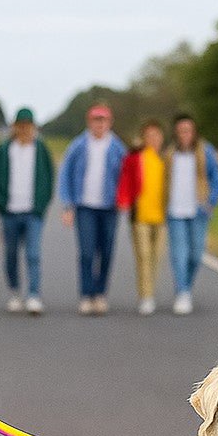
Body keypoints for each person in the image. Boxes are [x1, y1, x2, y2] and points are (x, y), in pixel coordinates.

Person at [57, 104, 128, 314]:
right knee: (87, 252)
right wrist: (68, 205)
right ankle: (86, 295)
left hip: (109, 207)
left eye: (103, 120)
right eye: (96, 120)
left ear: (109, 122)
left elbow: (126, 176)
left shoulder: (117, 147)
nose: (100, 124)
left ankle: (100, 294)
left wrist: (124, 199)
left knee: (106, 252)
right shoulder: (78, 145)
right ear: (90, 122)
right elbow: (65, 175)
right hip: (85, 206)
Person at [0, 107, 54, 315]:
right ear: (15, 127)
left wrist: (41, 205)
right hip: (10, 212)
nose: (24, 130)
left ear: (34, 127)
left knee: (33, 254)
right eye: (21, 126)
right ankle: (15, 292)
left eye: (28, 126)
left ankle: (33, 295)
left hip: (33, 212)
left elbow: (49, 178)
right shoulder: (4, 149)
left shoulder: (41, 150)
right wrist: (1, 203)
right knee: (11, 253)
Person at [165, 114, 218, 314]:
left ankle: (186, 288)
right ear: (176, 132)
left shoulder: (205, 152)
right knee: (179, 254)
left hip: (198, 211)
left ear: (194, 132)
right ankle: (182, 292)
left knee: (196, 255)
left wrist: (210, 203)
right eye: (181, 130)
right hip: (175, 212)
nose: (185, 134)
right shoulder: (169, 154)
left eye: (188, 130)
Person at [116, 119, 167, 314]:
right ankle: (145, 296)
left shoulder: (165, 159)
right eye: (149, 136)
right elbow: (125, 180)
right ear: (143, 138)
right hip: (140, 216)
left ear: (162, 138)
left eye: (157, 135)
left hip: (161, 217)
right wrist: (123, 200)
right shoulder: (135, 158)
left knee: (156, 257)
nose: (153, 139)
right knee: (143, 256)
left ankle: (151, 291)